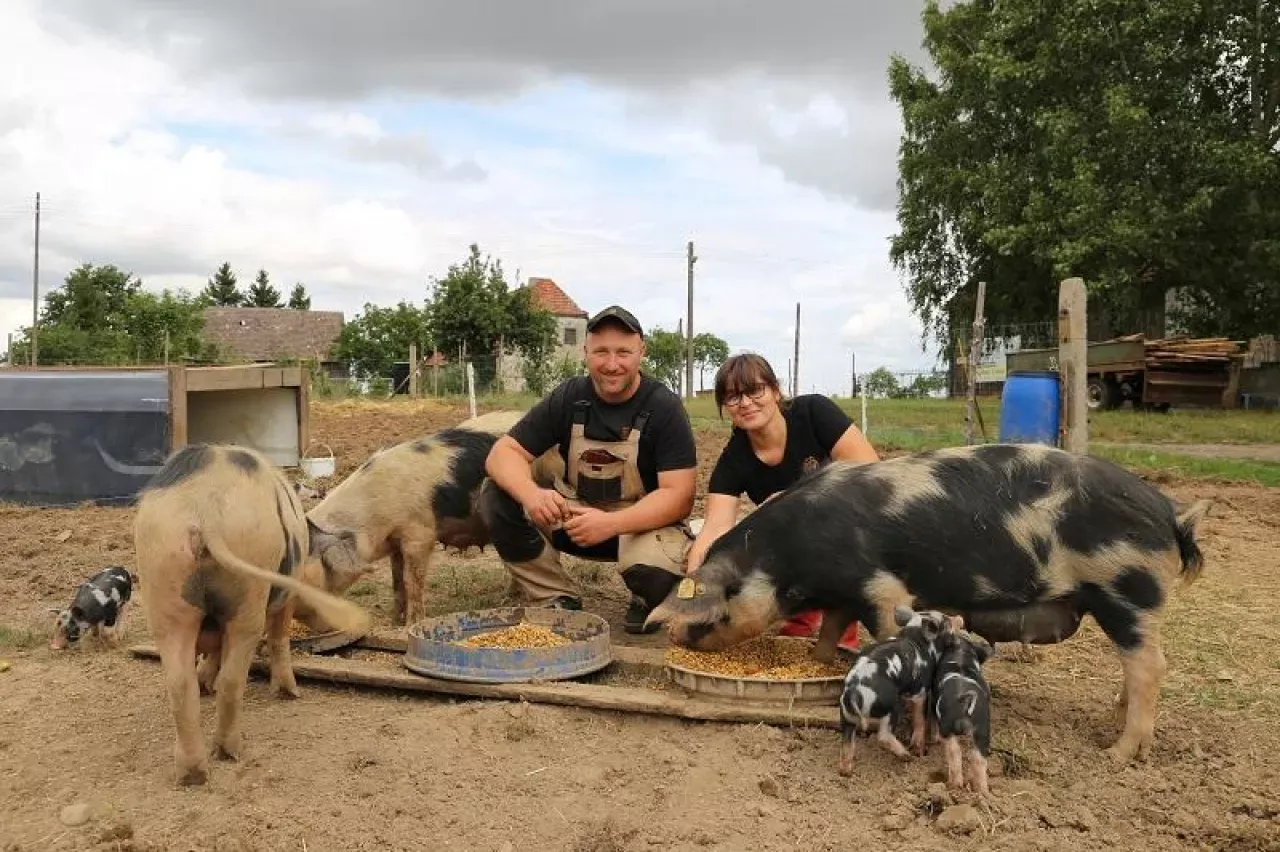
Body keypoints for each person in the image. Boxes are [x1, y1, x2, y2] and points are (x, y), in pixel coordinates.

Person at [478, 305, 698, 634]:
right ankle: (554, 597)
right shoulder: (569, 397)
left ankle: (645, 597)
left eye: (623, 352)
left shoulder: (663, 407)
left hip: (637, 527)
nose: (612, 364)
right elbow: (501, 454)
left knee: (655, 575)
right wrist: (533, 496)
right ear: (585, 352)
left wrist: (611, 523)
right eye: (601, 352)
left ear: (642, 352)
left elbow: (679, 497)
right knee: (496, 494)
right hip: (575, 519)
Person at [685, 352, 880, 651]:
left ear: (775, 391)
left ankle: (842, 629)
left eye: (755, 390)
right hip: (792, 546)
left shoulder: (814, 413)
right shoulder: (734, 459)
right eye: (733, 397)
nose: (746, 403)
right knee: (758, 540)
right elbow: (715, 527)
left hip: (852, 525)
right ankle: (799, 622)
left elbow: (869, 471)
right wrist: (694, 584)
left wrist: (792, 500)